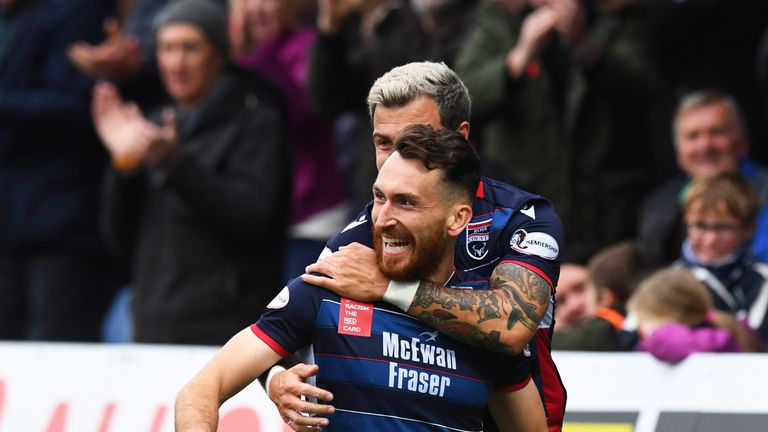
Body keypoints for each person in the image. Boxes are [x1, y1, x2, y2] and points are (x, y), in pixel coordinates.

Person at [175, 125, 549, 432]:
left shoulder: (481, 326)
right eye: (379, 198)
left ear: (457, 219)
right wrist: (275, 379)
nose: (382, 218)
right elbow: (200, 390)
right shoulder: (327, 287)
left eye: (406, 202)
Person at [270, 61, 566, 432]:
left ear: (459, 136)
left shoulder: (524, 217)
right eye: (383, 143)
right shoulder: (366, 230)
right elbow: (282, 327)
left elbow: (512, 325)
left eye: (413, 138)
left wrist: (393, 288)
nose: (395, 158)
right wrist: (277, 380)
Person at [94, 0, 291, 344]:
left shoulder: (257, 120)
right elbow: (119, 240)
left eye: (190, 48)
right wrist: (125, 164)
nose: (176, 62)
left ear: (218, 54)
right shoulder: (154, 126)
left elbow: (248, 222)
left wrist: (173, 163)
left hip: (226, 331)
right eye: (167, 49)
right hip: (154, 323)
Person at [454, 0, 664, 264]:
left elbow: (644, 92)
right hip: (522, 201)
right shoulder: (498, 19)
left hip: (605, 207)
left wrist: (584, 46)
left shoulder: (618, 17)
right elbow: (463, 99)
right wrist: (518, 58)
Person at [0, 0, 120, 341]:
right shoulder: (16, 19)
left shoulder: (77, 12)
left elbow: (82, 107)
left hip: (63, 227)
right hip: (13, 226)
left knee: (57, 353)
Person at [231, 0, 350, 283]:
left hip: (311, 216)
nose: (255, 8)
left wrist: (257, 55)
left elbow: (304, 113)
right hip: (262, 220)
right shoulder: (237, 59)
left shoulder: (307, 46)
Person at [638, 89, 768, 265]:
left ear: (741, 143)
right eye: (693, 136)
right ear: (679, 153)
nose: (705, 146)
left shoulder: (764, 192)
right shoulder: (658, 207)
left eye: (716, 132)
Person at [672, 172, 768, 347]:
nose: (710, 240)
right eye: (700, 226)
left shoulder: (763, 283)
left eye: (724, 228)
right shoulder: (666, 283)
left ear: (750, 229)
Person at [627, 267, 762, 363]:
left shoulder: (713, 338)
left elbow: (665, 342)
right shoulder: (723, 330)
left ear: (671, 318)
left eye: (644, 320)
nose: (641, 329)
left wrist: (648, 342)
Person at [552, 241, 657, 351]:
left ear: (605, 297)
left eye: (581, 288)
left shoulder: (608, 329)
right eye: (560, 301)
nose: (575, 304)